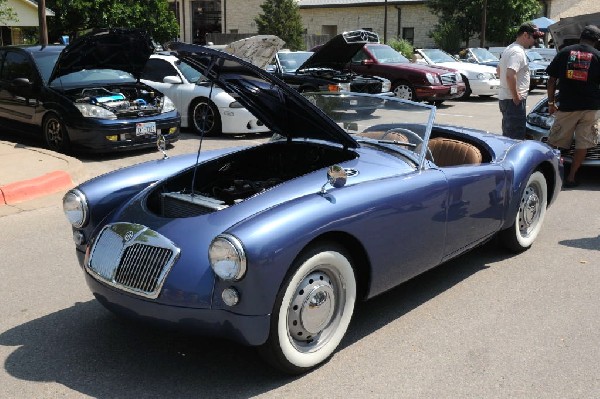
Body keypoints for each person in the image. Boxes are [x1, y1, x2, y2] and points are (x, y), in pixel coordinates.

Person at [546, 25, 600, 188]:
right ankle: (571, 177)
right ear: (597, 41)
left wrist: (551, 103)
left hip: (567, 106)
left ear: (580, 37)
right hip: (591, 108)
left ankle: (550, 174)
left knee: (555, 142)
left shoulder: (564, 52)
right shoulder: (598, 56)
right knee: (583, 144)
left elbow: (551, 81)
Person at [497, 23, 544, 139]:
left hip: (506, 98)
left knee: (508, 136)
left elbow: (498, 70)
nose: (535, 41)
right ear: (525, 35)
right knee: (515, 138)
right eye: (534, 37)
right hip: (513, 101)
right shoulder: (518, 52)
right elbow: (510, 74)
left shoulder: (509, 48)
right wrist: (516, 97)